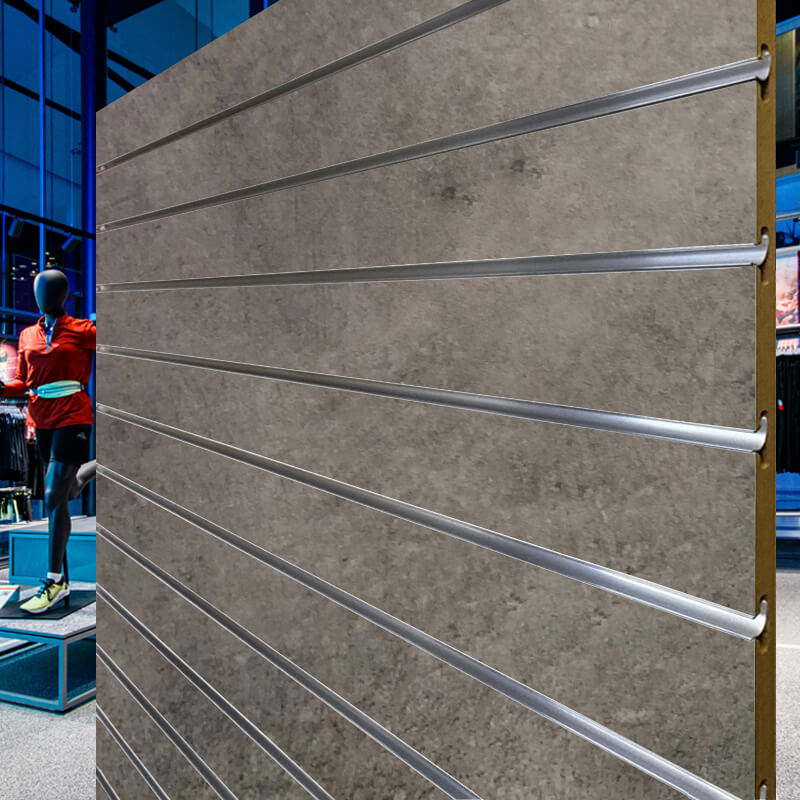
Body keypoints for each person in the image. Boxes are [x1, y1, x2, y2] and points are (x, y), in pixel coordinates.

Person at [0, 269, 96, 613]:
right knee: (61, 495)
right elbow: (23, 382)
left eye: (50, 290)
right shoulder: (28, 334)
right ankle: (89, 471)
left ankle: (54, 580)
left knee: (54, 494)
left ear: (63, 295)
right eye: (39, 290)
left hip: (73, 413)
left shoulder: (84, 330)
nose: (43, 296)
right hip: (41, 418)